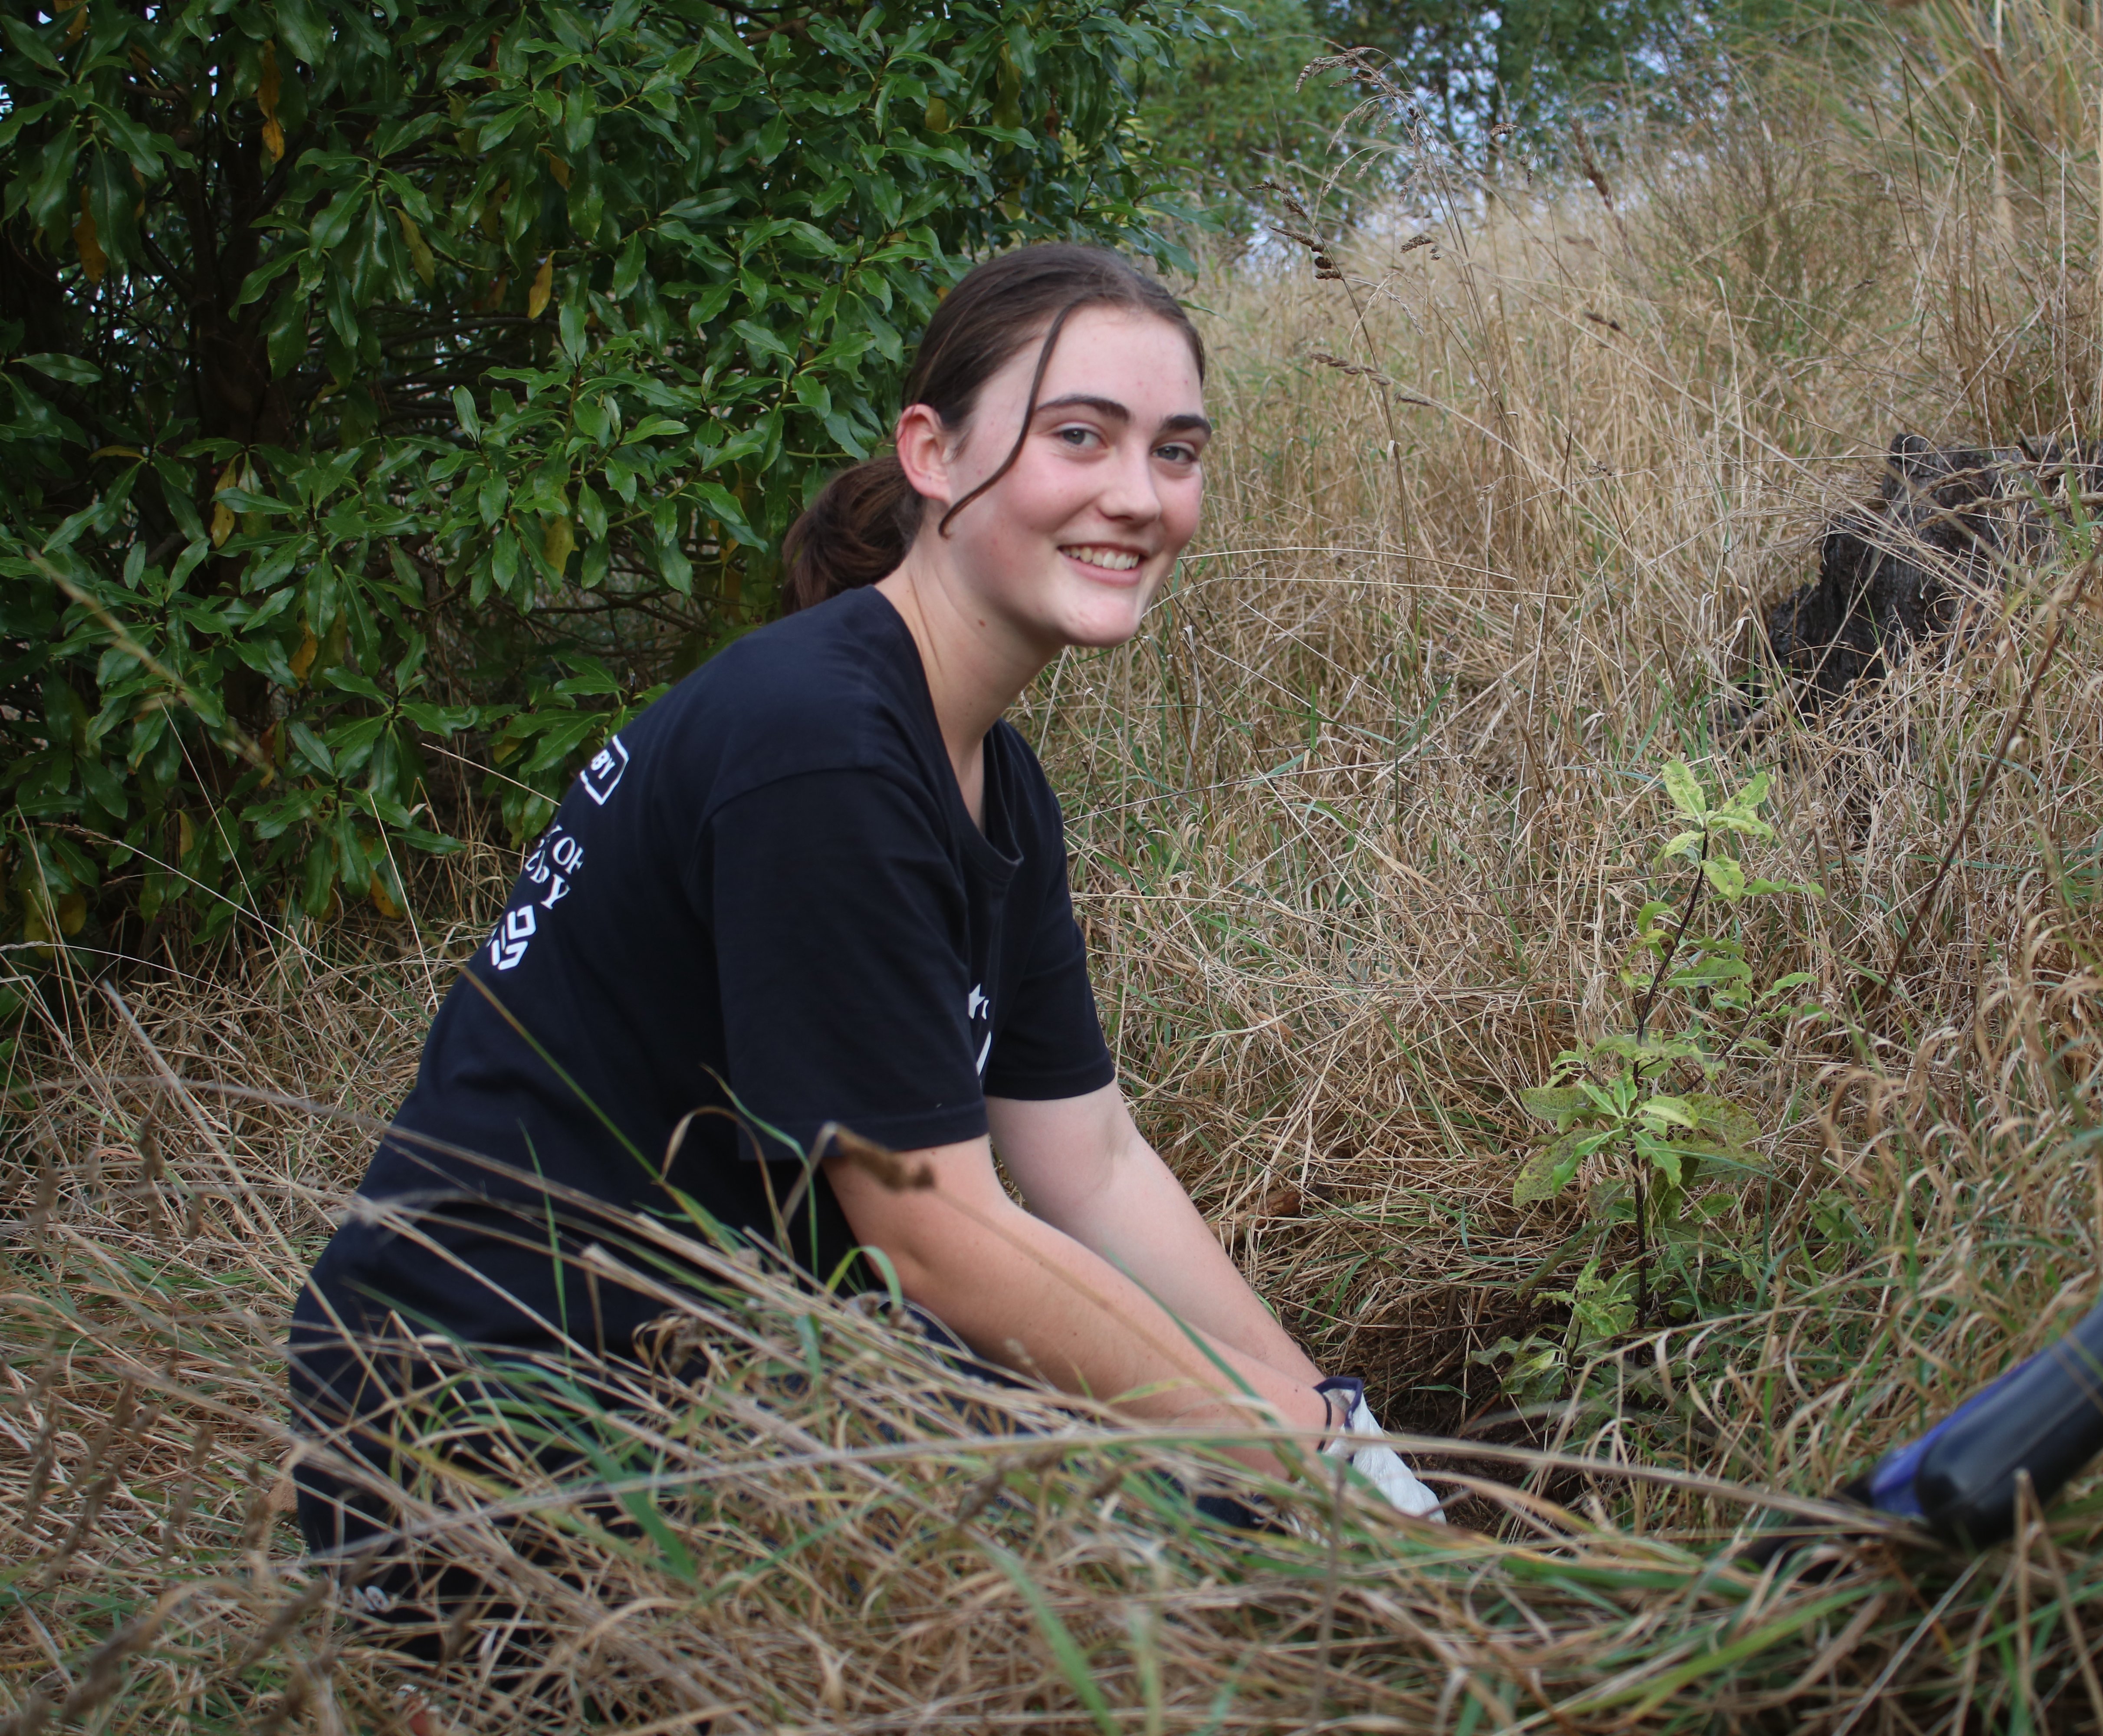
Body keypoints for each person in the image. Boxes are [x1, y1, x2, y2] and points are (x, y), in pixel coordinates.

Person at [288, 244, 1438, 1625]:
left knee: (1230, 1515)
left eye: (1177, 451)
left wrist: (1332, 1427)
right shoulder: (821, 745)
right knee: (1168, 1585)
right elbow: (931, 1228)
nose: (1138, 497)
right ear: (934, 456)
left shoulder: (991, 781)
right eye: (1079, 435)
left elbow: (1093, 1164)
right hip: (492, 1434)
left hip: (735, 1383)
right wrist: (1263, 1444)